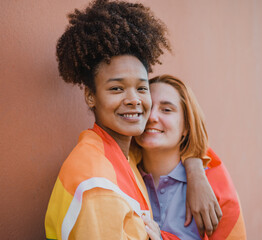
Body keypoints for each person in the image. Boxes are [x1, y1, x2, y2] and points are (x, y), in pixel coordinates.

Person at [44, 1, 220, 239]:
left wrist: (195, 170)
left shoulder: (128, 157)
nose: (134, 100)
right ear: (90, 95)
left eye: (141, 88)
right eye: (117, 88)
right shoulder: (96, 180)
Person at [133, 75, 247, 239]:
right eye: (147, 107)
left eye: (166, 110)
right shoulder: (120, 173)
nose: (152, 117)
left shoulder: (214, 190)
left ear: (186, 126)